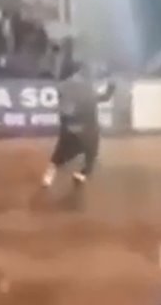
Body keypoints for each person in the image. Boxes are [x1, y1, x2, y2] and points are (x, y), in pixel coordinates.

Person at [41, 53, 114, 200]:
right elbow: (103, 98)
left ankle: (52, 174)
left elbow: (65, 108)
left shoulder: (65, 86)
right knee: (91, 151)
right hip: (86, 127)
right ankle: (82, 173)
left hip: (72, 126)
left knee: (63, 151)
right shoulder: (85, 86)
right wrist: (111, 88)